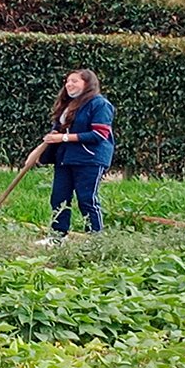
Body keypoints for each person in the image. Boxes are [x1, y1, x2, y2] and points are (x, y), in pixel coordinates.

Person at [36, 69, 115, 246]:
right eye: (67, 81)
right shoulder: (68, 105)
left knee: (86, 198)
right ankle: (57, 236)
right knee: (59, 197)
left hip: (90, 159)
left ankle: (96, 240)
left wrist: (63, 138)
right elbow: (56, 131)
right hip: (65, 157)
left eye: (75, 81)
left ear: (88, 84)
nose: (69, 84)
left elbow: (99, 135)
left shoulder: (99, 104)